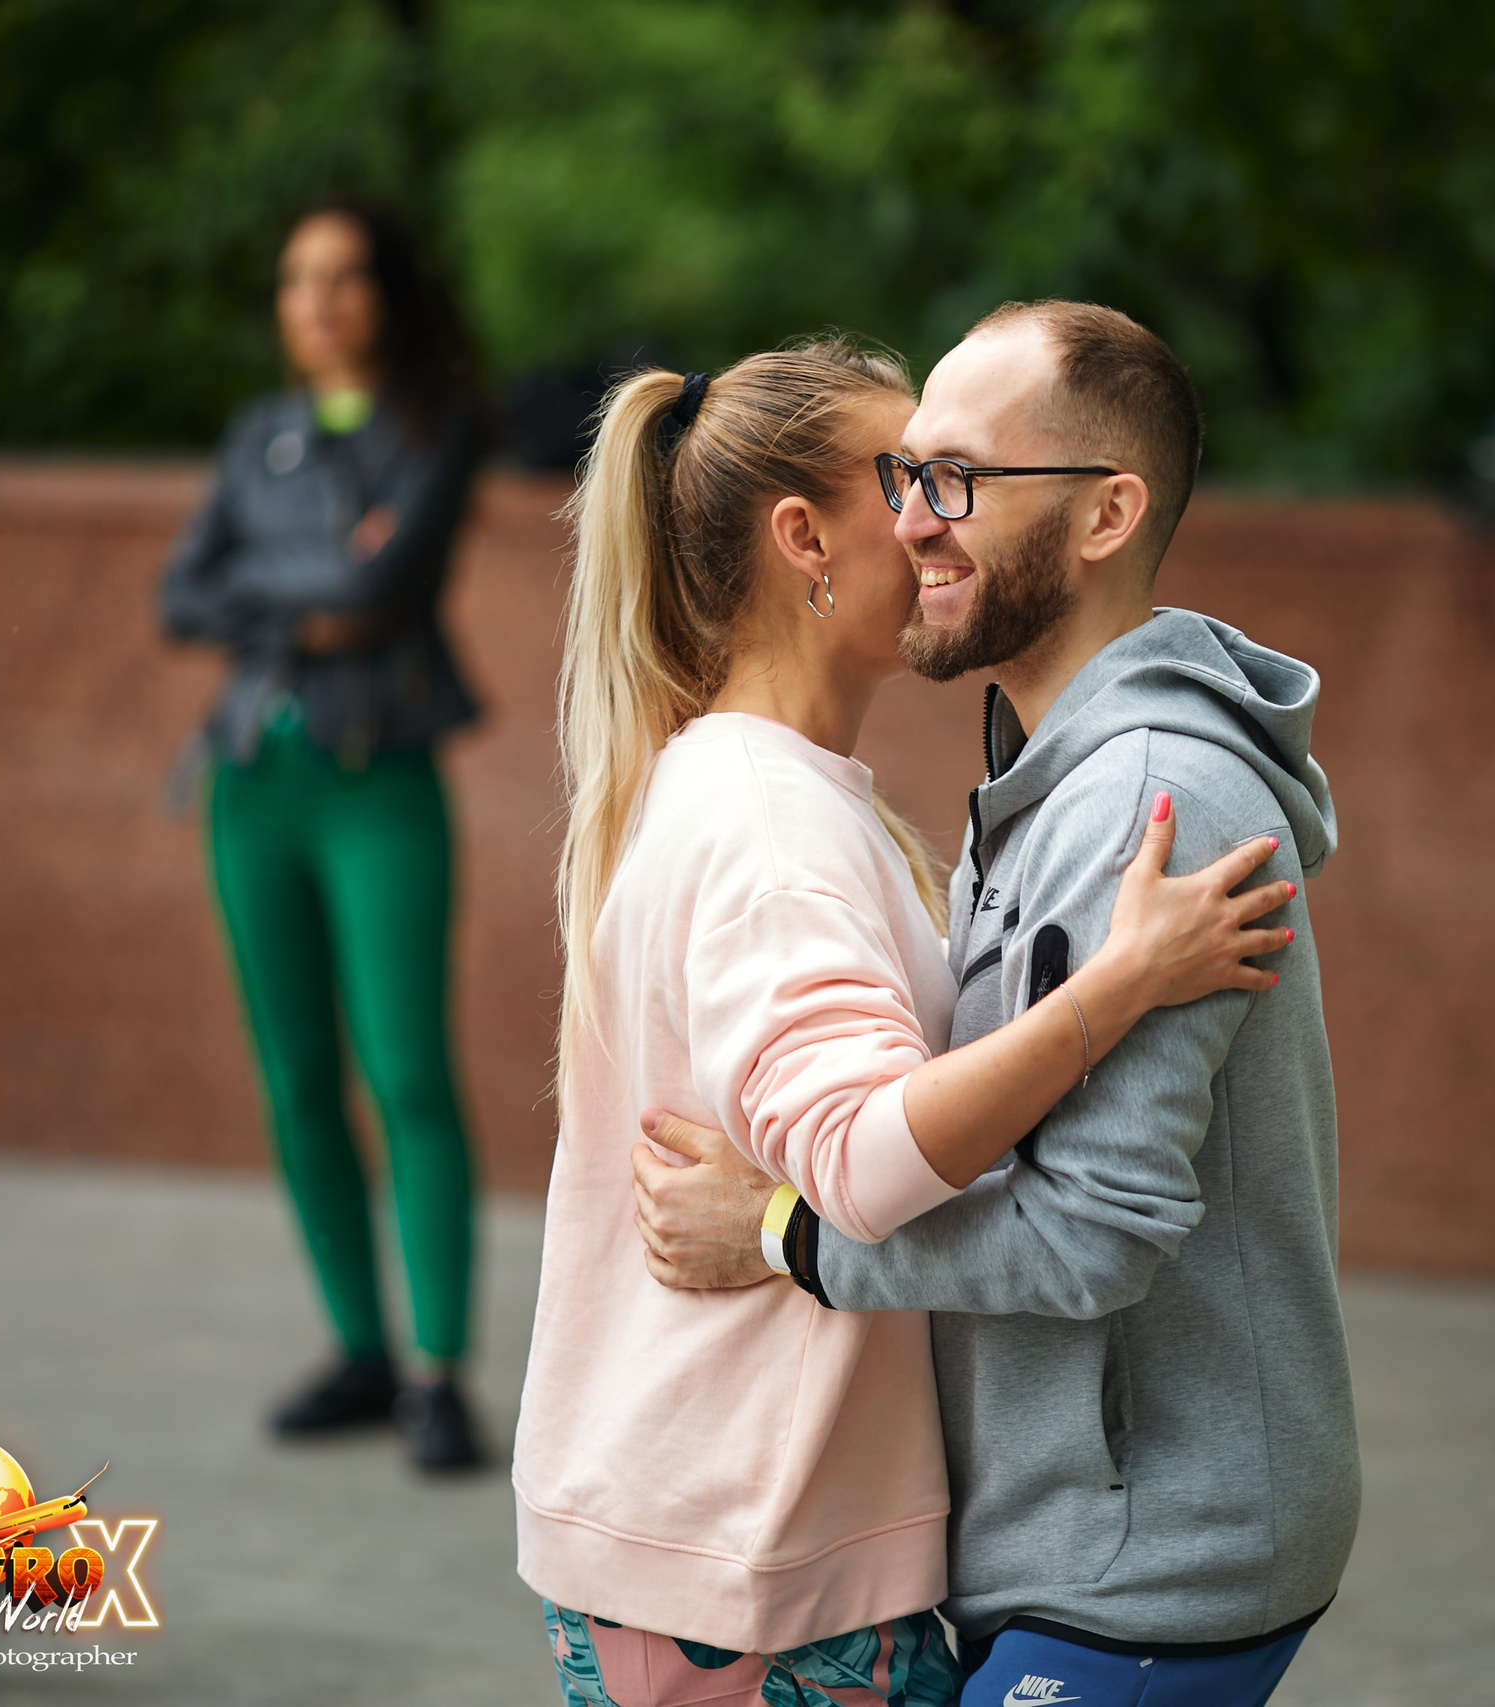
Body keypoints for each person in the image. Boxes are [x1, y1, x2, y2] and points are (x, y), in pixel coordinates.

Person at [515, 337, 1295, 1707]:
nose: (931, 518)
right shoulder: (770, 827)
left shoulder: (771, 790)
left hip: (734, 1540)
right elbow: (863, 1160)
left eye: (951, 475)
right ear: (803, 539)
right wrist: (1114, 987)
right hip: (745, 1561)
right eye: (903, 478)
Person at [158, 200, 490, 1471]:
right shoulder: (260, 433)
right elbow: (182, 593)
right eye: (297, 279)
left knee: (407, 1076)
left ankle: (438, 1375)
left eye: (344, 277)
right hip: (253, 781)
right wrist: (311, 595)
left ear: (387, 293)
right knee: (295, 1079)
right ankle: (360, 1350)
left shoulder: (434, 429)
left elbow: (378, 587)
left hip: (379, 780)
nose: (318, 301)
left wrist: (278, 586)